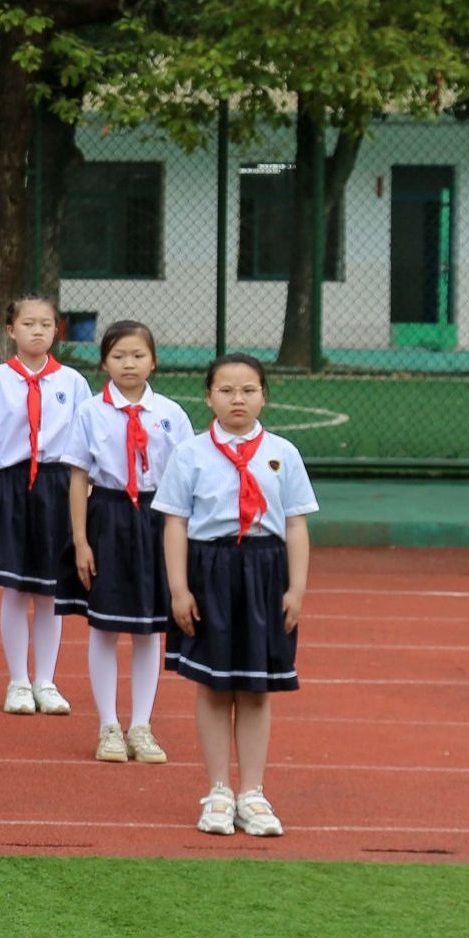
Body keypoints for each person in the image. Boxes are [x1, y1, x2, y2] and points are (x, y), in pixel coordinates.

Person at [154, 354, 314, 837]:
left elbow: (296, 523)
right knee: (215, 684)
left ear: (264, 395)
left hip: (266, 571)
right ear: (208, 397)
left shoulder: (283, 453)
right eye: (226, 390)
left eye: (248, 389)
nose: (237, 399)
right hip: (210, 570)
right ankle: (219, 790)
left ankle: (254, 793)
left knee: (256, 687)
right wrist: (179, 588)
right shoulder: (191, 454)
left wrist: (297, 589)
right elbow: (175, 524)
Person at [72, 321, 192, 764]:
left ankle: (141, 725)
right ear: (104, 362)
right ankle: (108, 725)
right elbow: (78, 476)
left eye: (138, 355)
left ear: (154, 361)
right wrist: (81, 540)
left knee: (148, 628)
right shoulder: (89, 412)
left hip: (157, 519)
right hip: (107, 515)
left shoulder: (171, 414)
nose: (129, 364)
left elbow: (183, 478)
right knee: (104, 624)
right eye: (119, 355)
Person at [0, 293, 89, 717]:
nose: (38, 331)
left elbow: (83, 446)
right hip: (12, 483)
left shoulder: (73, 383)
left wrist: (83, 494)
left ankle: (47, 680)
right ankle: (19, 679)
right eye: (29, 323)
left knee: (51, 589)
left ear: (57, 329)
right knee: (17, 587)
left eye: (46, 324)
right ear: (10, 330)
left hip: (58, 485)